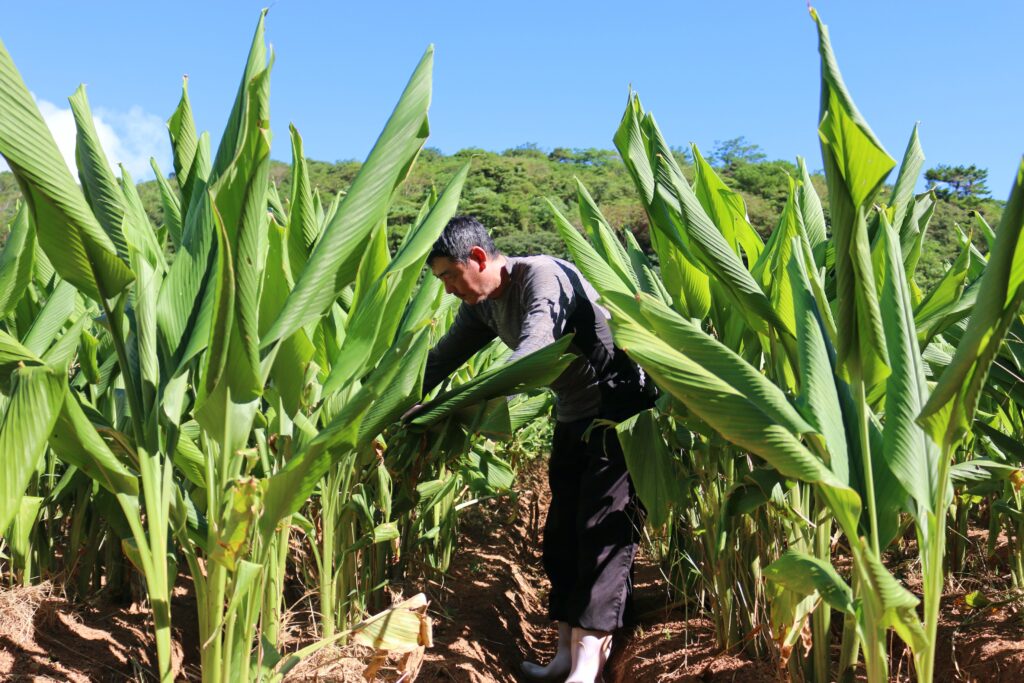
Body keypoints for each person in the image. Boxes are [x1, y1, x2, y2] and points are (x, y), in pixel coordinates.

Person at [413, 215, 656, 682]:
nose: (446, 289)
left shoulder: (541, 275)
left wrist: (449, 406)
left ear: (478, 258)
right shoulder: (481, 305)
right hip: (573, 413)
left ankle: (589, 668)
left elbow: (533, 350)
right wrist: (394, 401)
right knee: (562, 533)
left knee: (599, 532)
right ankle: (565, 656)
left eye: (447, 275)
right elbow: (441, 360)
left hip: (619, 410)